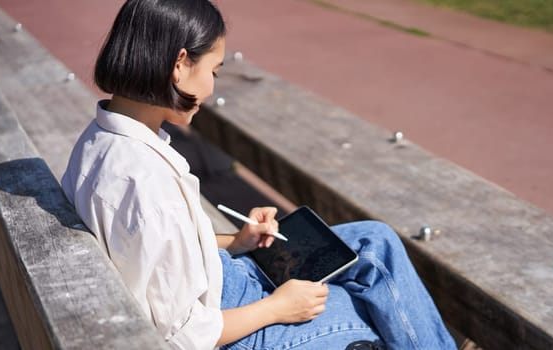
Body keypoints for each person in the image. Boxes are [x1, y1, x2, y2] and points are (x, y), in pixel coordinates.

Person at [61, 0, 457, 349]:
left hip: (224, 280)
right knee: (377, 305)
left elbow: (159, 249)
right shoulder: (144, 184)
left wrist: (236, 241)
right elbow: (182, 335)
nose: (213, 88)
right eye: (214, 70)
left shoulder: (102, 138)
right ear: (180, 65)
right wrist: (278, 307)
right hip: (231, 323)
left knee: (376, 242)